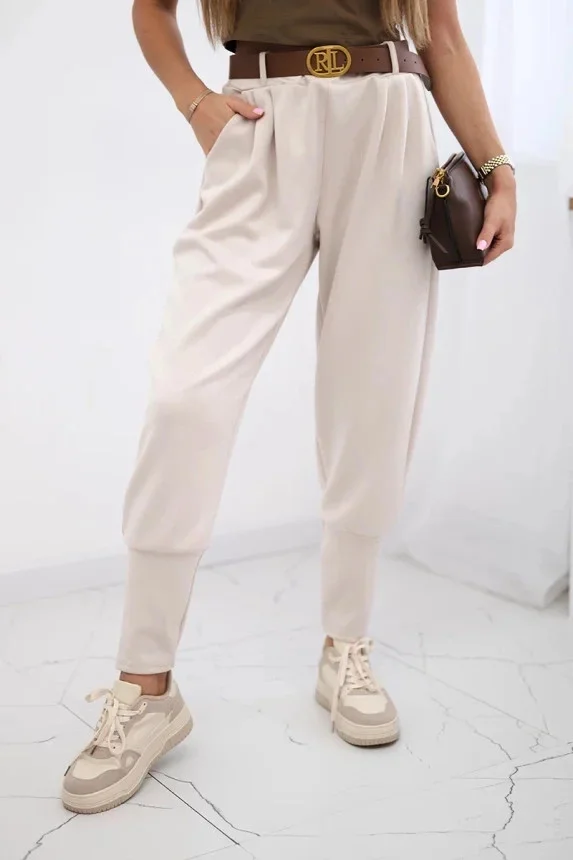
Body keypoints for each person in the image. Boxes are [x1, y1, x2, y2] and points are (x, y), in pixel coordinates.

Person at [61, 0, 516, 814]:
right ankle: (146, 686)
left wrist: (497, 167)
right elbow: (152, 10)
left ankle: (346, 647)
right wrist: (194, 102)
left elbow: (441, 34)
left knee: (371, 394)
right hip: (260, 121)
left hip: (388, 120)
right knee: (185, 399)